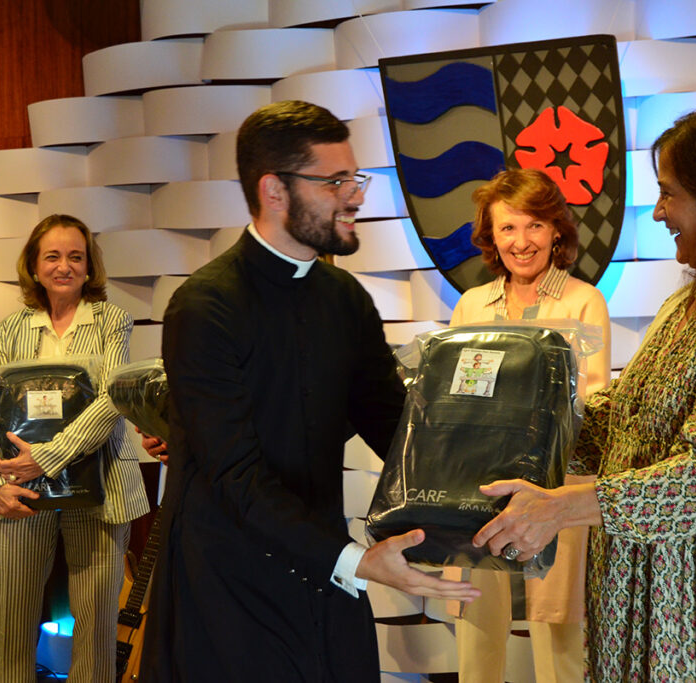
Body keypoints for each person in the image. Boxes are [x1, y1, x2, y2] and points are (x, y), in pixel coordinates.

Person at [471, 101, 696, 681]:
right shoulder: (689, 303)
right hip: (642, 610)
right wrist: (506, 433)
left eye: (671, 193)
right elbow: (621, 421)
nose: (660, 211)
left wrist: (559, 508)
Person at [141, 100, 479, 682]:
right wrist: (356, 560)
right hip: (230, 583)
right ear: (275, 190)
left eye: (355, 177)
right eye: (335, 181)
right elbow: (235, 478)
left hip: (325, 569)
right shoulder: (203, 307)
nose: (355, 195)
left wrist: (483, 495)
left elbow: (397, 428)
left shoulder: (345, 299)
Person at [448, 168, 611, 683]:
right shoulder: (472, 304)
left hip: (557, 481)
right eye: (508, 229)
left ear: (556, 231)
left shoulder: (584, 300)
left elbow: (593, 397)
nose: (522, 242)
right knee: (477, 619)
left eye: (534, 226)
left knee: (558, 625)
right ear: (491, 238)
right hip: (481, 479)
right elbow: (457, 394)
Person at [0, 214, 150, 682]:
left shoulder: (113, 319)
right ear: (34, 266)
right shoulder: (12, 328)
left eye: (76, 256)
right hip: (20, 490)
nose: (64, 266)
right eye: (52, 256)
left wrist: (45, 458)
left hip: (102, 485)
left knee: (94, 633)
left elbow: (113, 397)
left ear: (90, 267)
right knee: (9, 623)